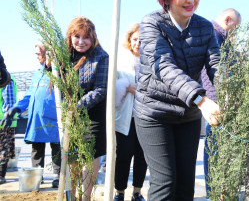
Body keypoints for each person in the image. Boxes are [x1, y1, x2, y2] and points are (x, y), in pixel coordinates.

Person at [133, 0, 221, 201]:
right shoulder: (152, 24)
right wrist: (202, 101)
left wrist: (233, 92)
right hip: (154, 114)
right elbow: (163, 65)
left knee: (185, 184)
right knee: (165, 181)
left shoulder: (204, 27)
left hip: (187, 115)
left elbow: (216, 65)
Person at [5, 44, 61, 188]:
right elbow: (30, 94)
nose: (36, 56)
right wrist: (16, 108)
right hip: (36, 117)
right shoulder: (37, 73)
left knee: (56, 147)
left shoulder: (57, 72)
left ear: (47, 53)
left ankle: (57, 176)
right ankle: (37, 175)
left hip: (53, 117)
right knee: (37, 148)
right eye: (36, 53)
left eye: (38, 53)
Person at [66, 17, 108, 201]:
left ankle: (86, 197)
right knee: (72, 156)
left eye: (86, 38)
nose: (81, 42)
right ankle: (72, 196)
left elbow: (101, 90)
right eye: (77, 36)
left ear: (93, 38)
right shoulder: (65, 55)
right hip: (70, 115)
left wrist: (77, 107)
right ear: (70, 37)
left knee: (89, 156)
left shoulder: (101, 56)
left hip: (93, 114)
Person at [201, 8, 241, 197]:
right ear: (227, 19)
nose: (235, 32)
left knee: (217, 149)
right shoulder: (213, 35)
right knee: (214, 150)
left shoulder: (220, 38)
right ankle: (214, 193)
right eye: (235, 27)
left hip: (217, 99)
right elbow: (214, 72)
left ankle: (217, 191)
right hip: (215, 102)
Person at [113, 23, 147, 201]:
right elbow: (111, 87)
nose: (138, 43)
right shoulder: (120, 61)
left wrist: (140, 89)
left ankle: (137, 192)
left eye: (142, 39)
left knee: (142, 156)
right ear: (129, 41)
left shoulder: (152, 60)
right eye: (135, 39)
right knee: (124, 155)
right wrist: (126, 87)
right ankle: (119, 192)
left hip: (146, 117)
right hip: (126, 116)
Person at [0, 75, 17, 184]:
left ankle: (1, 175)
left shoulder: (6, 79)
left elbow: (9, 103)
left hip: (3, 122)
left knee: (3, 149)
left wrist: (7, 118)